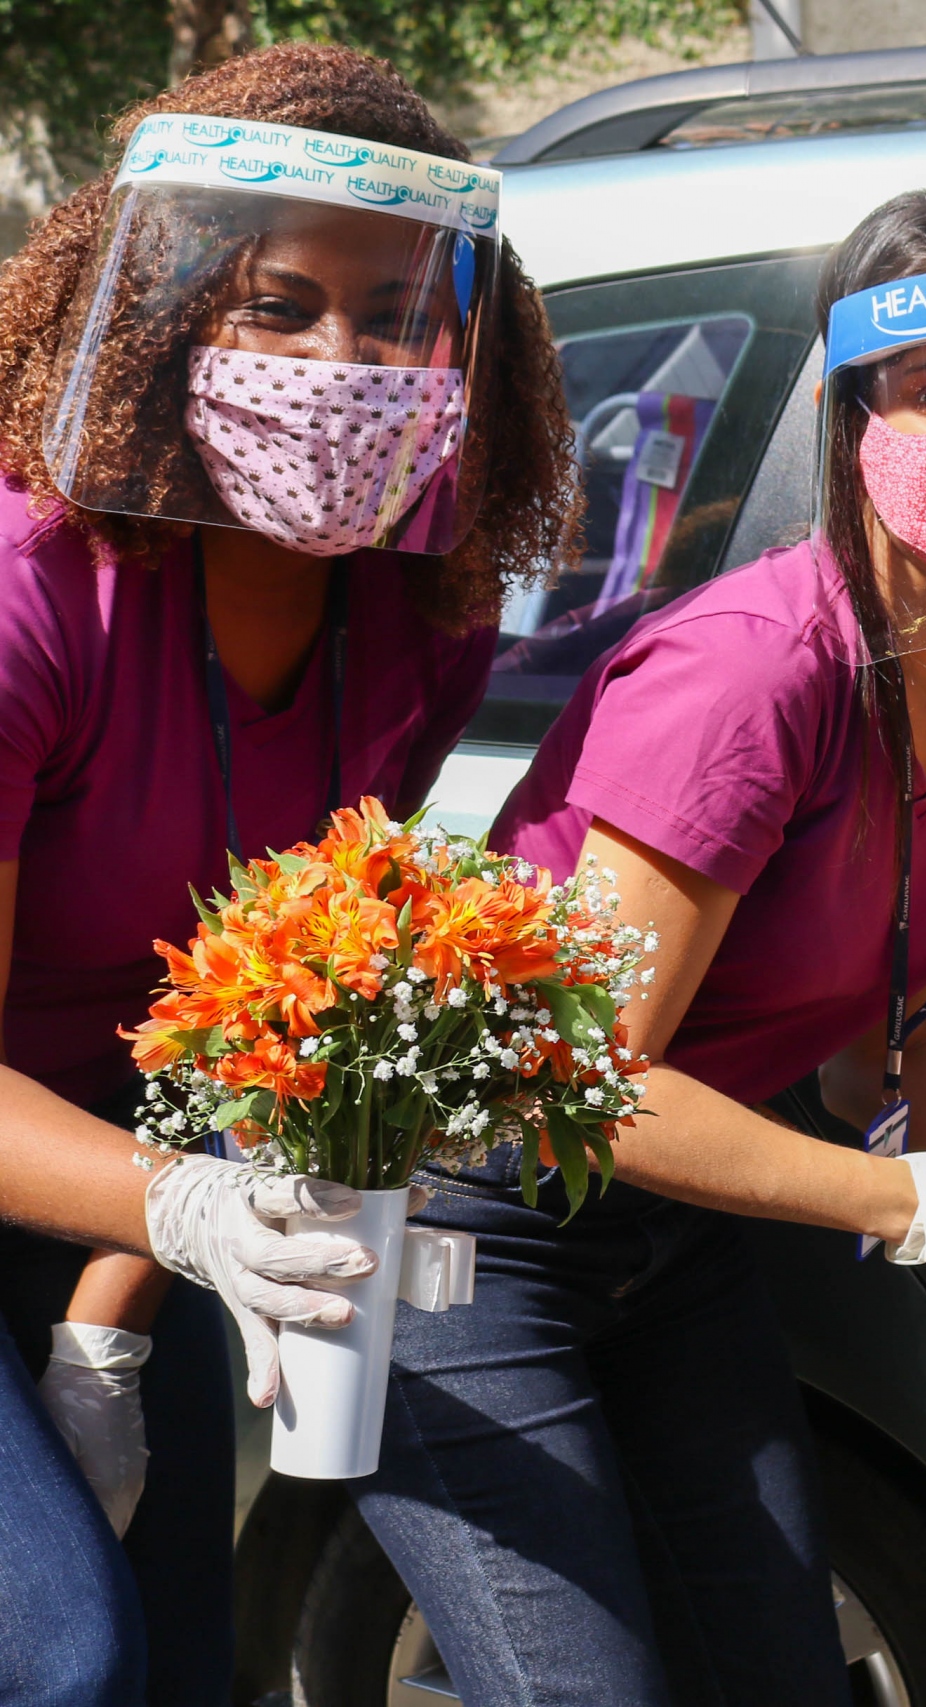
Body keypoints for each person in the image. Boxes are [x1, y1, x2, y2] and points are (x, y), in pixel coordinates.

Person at [360, 190, 926, 1706]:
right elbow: (580, 1080)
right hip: (473, 1231)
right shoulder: (750, 673)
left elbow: (890, 1056)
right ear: (851, 416)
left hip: (671, 1237)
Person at [0, 44, 575, 1705]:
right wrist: (180, 1210)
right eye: (279, 306)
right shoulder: (35, 594)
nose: (346, 363)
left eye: (397, 317)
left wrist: (110, 1313)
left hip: (134, 1191)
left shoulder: (424, 614)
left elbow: (258, 1011)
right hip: (134, 1179)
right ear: (164, 313)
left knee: (181, 1657)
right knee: (65, 1652)